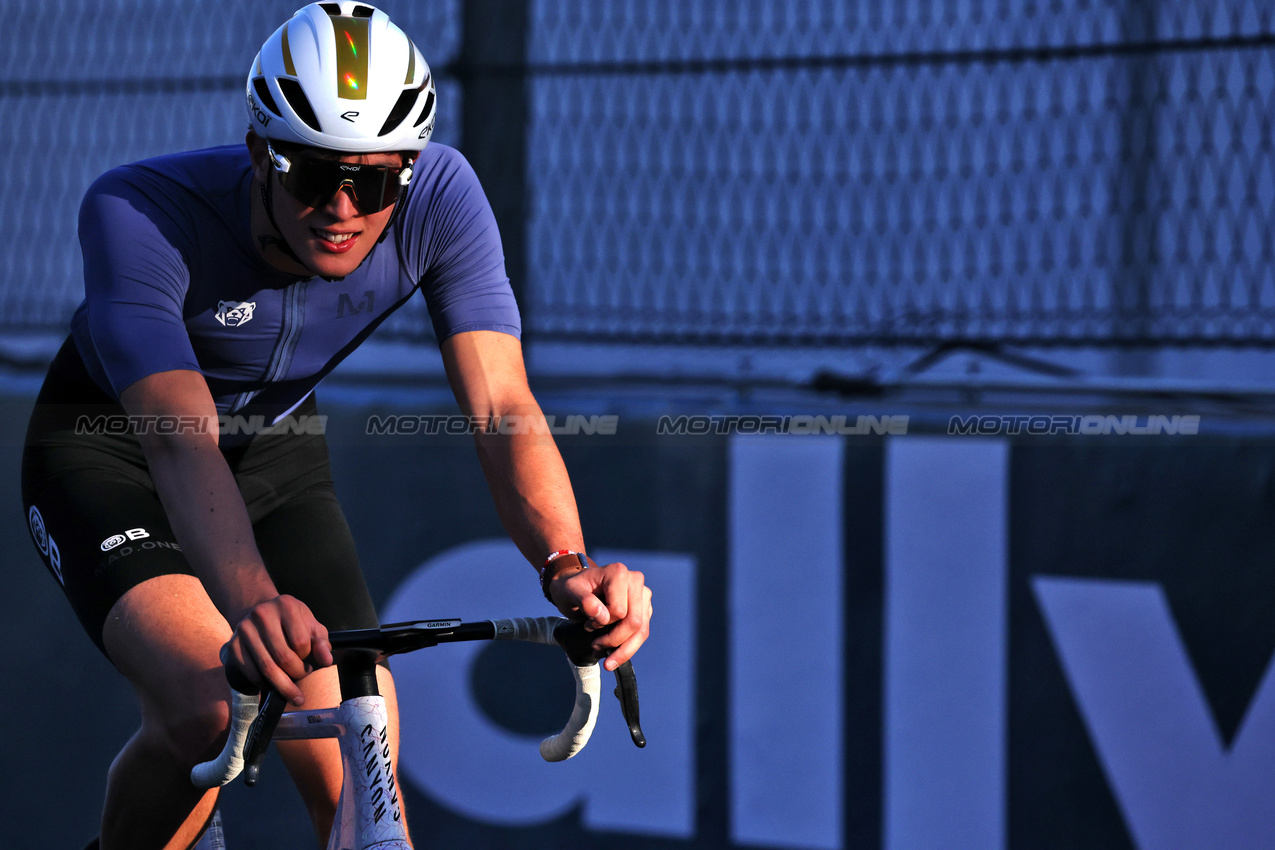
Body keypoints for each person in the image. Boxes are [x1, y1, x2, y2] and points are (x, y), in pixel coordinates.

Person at [20, 3, 653, 847]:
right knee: (208, 709)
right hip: (111, 453)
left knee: (363, 748)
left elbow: (502, 406)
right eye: (313, 175)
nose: (343, 208)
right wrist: (253, 600)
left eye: (376, 182)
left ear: (408, 170)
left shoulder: (442, 197)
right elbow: (177, 435)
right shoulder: (139, 211)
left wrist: (565, 564)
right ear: (259, 153)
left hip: (275, 452)